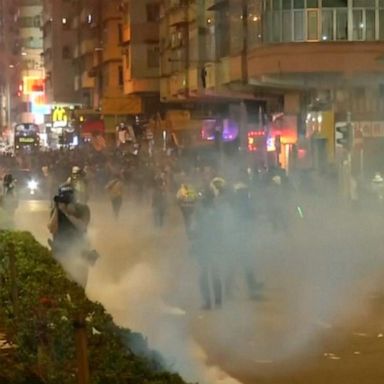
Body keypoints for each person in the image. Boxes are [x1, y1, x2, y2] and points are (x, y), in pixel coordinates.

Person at [47, 185, 97, 286]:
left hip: (80, 251)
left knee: (79, 285)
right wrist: (57, 209)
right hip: (61, 252)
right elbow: (52, 229)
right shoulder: (57, 211)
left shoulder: (83, 208)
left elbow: (82, 227)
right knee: (60, 285)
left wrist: (67, 213)